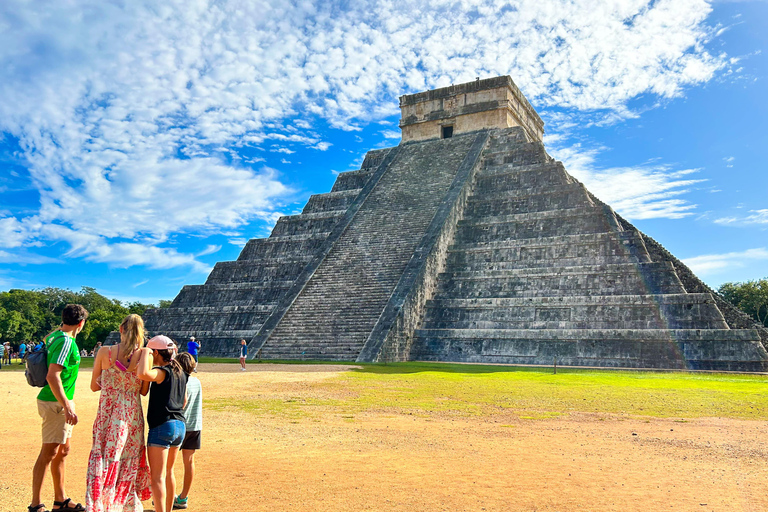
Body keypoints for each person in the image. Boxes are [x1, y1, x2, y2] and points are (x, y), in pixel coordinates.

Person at [86, 314, 152, 512]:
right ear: (141, 332)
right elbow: (143, 390)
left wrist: (112, 382)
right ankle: (124, 503)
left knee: (105, 455)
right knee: (127, 457)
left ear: (121, 329)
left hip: (107, 413)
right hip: (130, 415)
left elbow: (93, 386)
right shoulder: (144, 354)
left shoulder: (104, 352)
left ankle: (102, 502)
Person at [29, 304, 89, 512]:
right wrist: (67, 406)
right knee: (49, 453)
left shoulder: (57, 336)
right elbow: (52, 375)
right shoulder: (66, 342)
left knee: (63, 450)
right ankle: (35, 504)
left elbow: (47, 339)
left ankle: (60, 500)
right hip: (56, 401)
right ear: (81, 323)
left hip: (60, 400)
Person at [137, 336, 188, 512]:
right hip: (180, 425)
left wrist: (144, 353)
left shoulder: (162, 371)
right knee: (169, 472)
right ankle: (168, 509)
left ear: (156, 352)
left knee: (157, 477)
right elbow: (184, 400)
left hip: (162, 425)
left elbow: (143, 374)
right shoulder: (180, 372)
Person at [173, 353, 202, 510]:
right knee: (189, 462)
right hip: (195, 425)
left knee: (168, 464)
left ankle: (168, 495)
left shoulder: (179, 382)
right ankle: (183, 497)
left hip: (180, 425)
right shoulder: (196, 382)